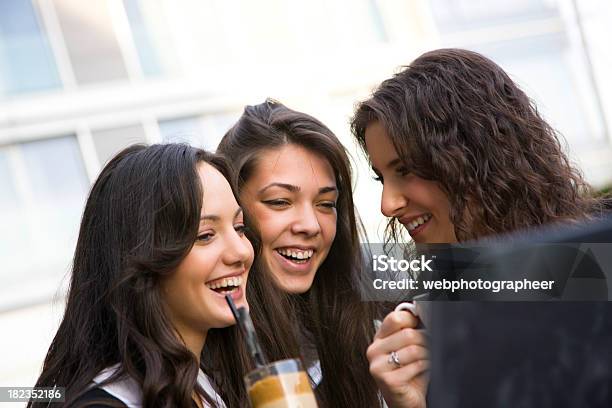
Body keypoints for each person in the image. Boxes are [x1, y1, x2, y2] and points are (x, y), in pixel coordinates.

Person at [350, 48, 606, 407]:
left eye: (405, 170)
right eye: (382, 178)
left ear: (473, 158)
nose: (387, 204)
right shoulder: (422, 333)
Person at [30, 144, 258, 407]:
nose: (241, 251)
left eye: (240, 228)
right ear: (140, 258)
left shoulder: (216, 381)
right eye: (205, 235)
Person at [217, 100, 385, 407]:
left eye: (325, 204)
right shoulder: (206, 327)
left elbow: (484, 270)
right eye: (280, 202)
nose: (310, 225)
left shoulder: (359, 271)